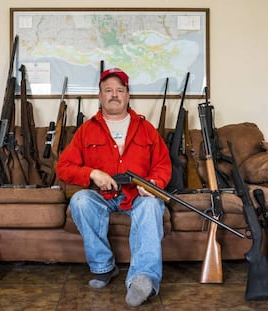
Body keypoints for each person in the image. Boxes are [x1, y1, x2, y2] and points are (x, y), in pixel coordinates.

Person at [56, 68, 171, 307]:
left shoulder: (146, 128)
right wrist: (92, 174)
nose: (114, 95)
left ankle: (143, 279)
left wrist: (154, 185)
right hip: (103, 196)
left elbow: (162, 164)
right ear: (100, 96)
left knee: (152, 205)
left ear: (128, 96)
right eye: (108, 90)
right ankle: (103, 268)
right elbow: (63, 167)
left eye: (120, 90)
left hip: (138, 196)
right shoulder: (86, 130)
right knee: (80, 201)